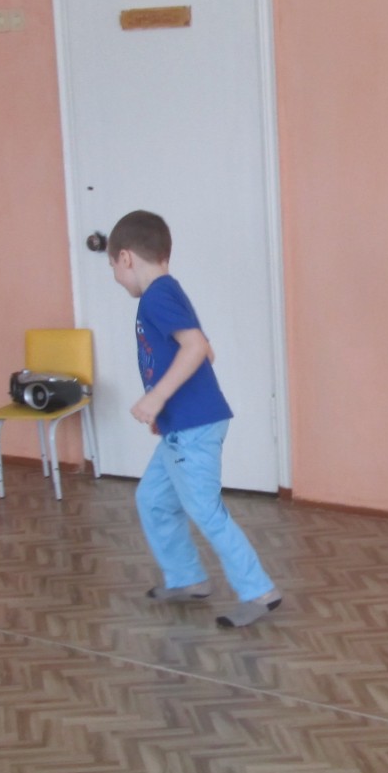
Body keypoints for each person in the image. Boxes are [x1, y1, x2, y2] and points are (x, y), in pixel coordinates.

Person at [107, 209, 281, 628]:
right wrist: (165, 408)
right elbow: (206, 350)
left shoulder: (157, 296)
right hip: (181, 425)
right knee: (153, 499)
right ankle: (187, 578)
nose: (116, 278)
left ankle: (260, 591)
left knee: (204, 510)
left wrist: (156, 398)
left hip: (193, 427)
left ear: (126, 258)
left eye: (113, 268)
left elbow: (197, 348)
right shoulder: (168, 291)